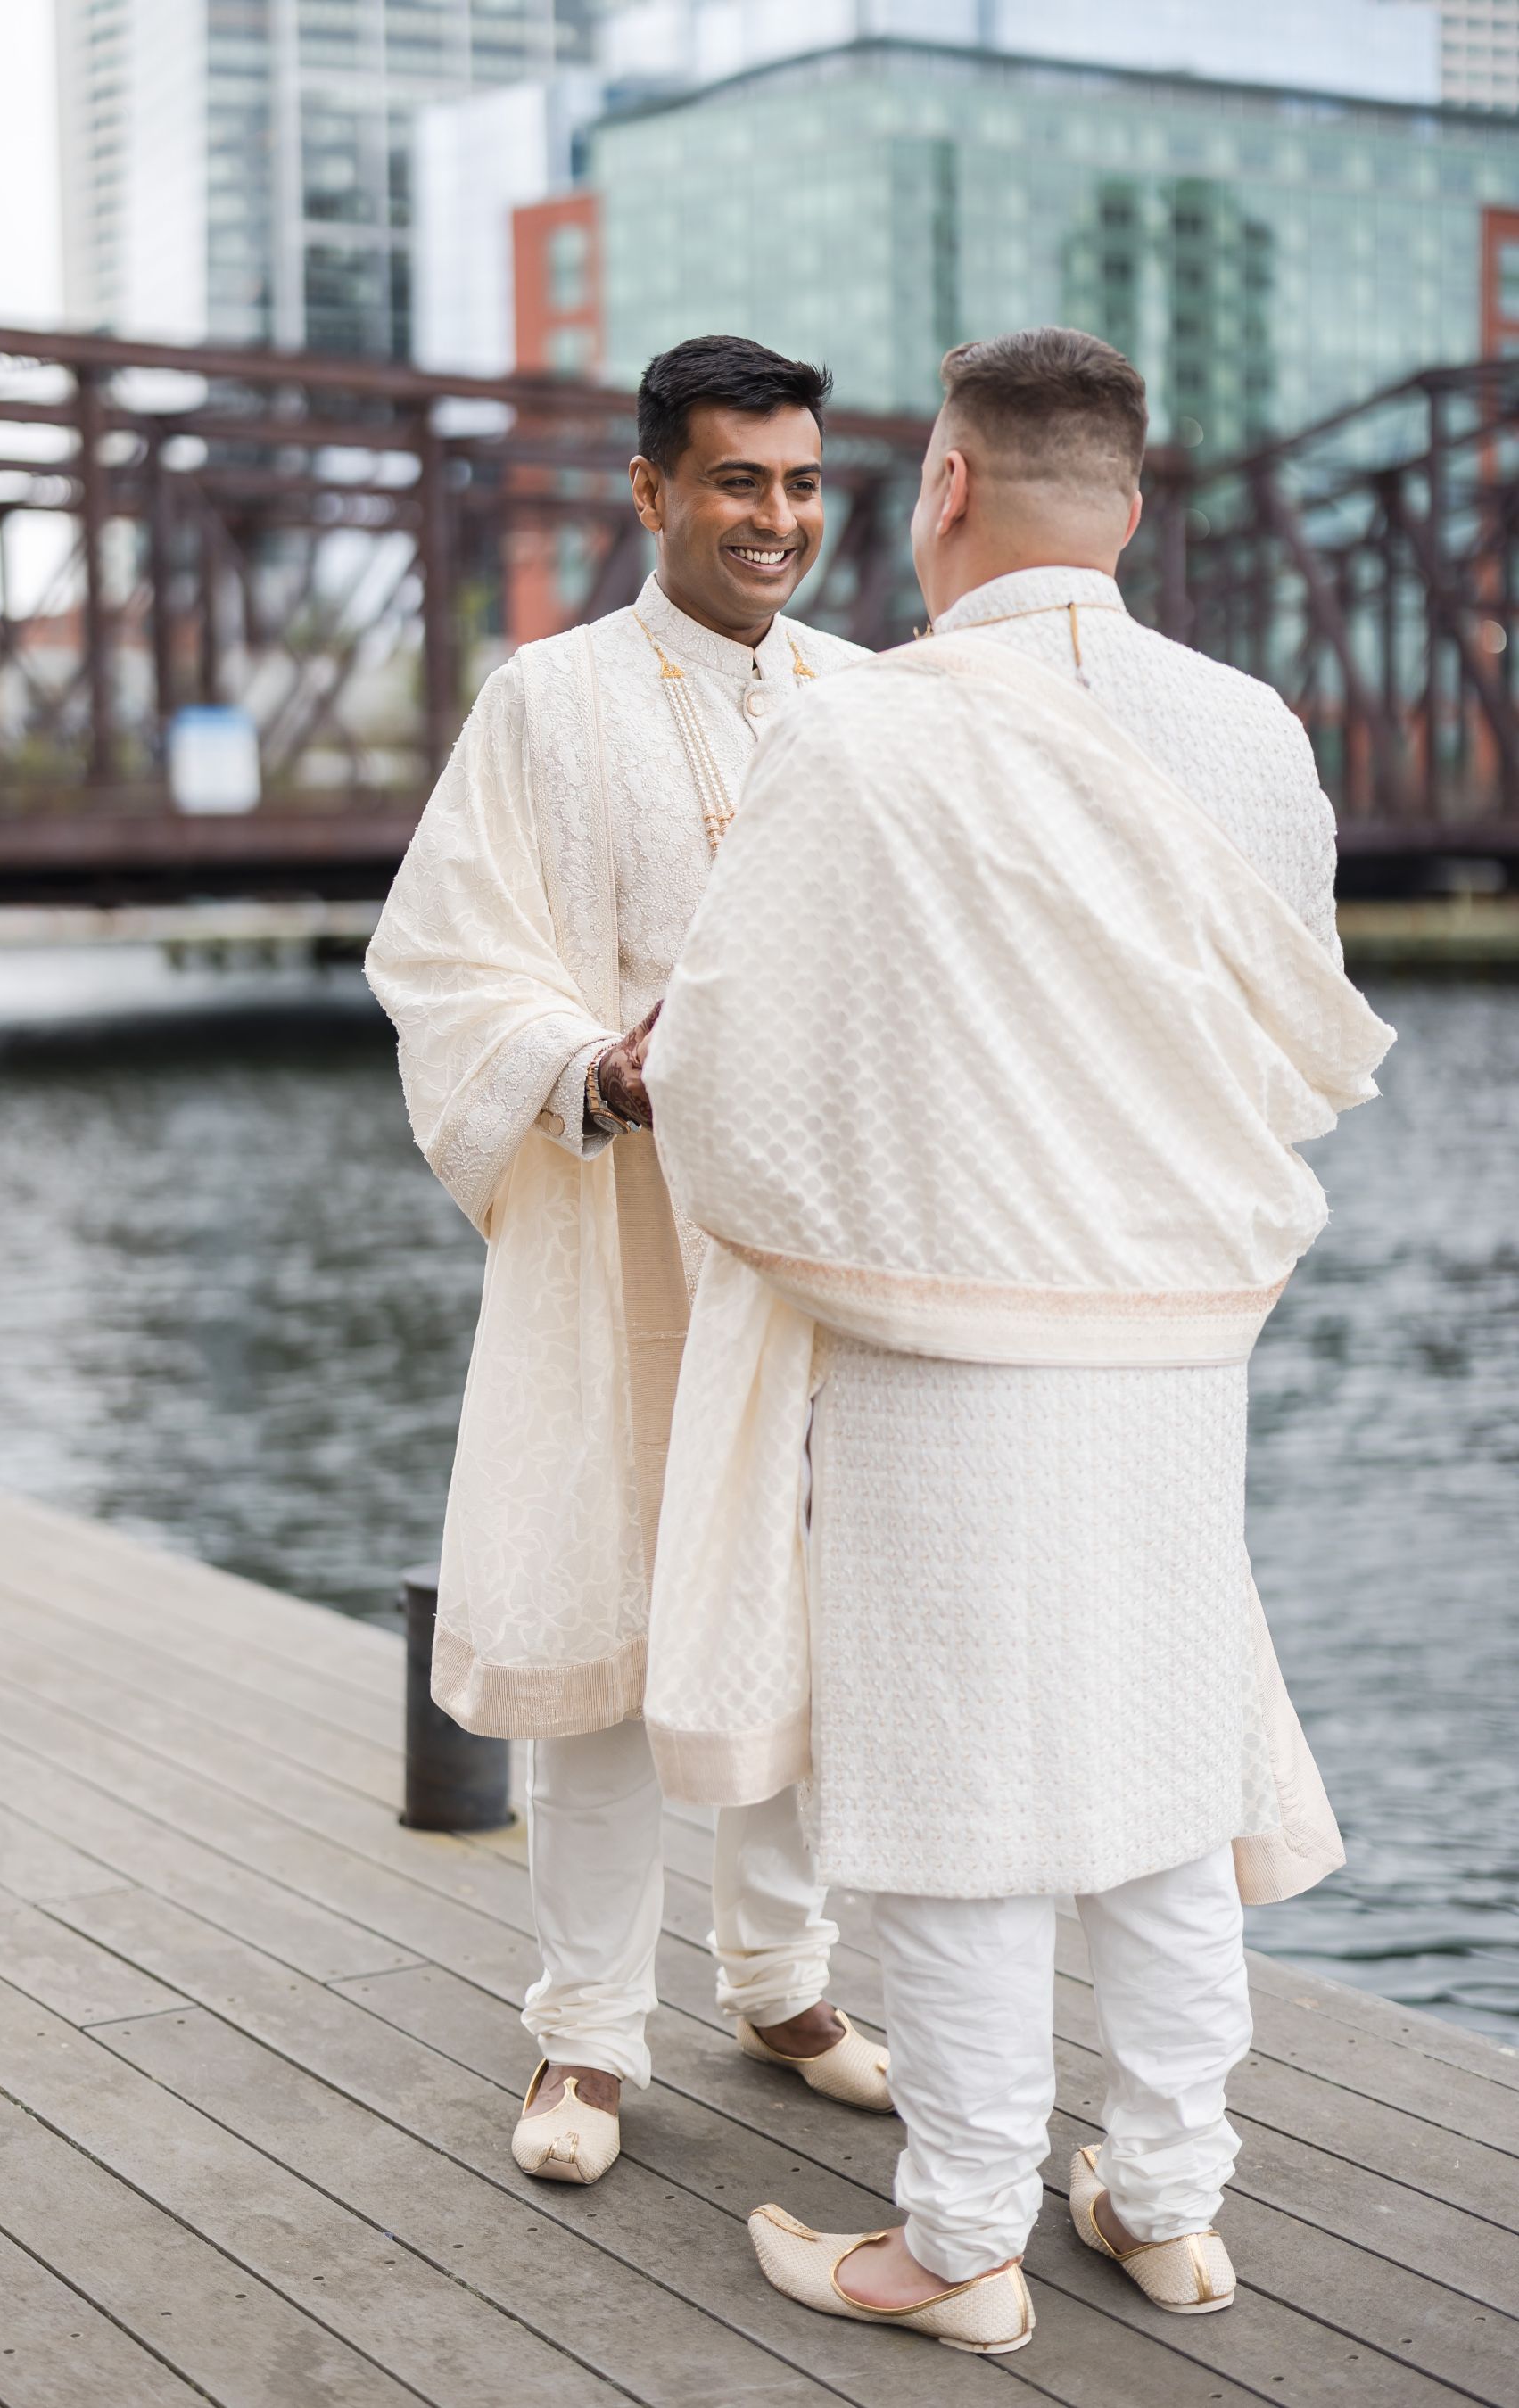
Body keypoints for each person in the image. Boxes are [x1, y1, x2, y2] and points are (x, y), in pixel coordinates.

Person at [641, 327, 1393, 2354]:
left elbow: (725, 1079)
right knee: (1164, 1773)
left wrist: (851, 1232)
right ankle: (1167, 2204)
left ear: (944, 488)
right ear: (1131, 503)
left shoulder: (860, 731)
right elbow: (1293, 1059)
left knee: (958, 1800)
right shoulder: (1256, 732)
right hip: (1176, 1350)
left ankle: (957, 2246)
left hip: (936, 1350)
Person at [366, 335, 886, 2191]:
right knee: (598, 1629)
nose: (780, 520)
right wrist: (588, 1070)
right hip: (613, 1225)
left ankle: (784, 1980)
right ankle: (586, 2040)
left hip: (813, 1253)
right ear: (652, 489)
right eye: (741, 481)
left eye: (806, 483)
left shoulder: (870, 700)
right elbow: (443, 958)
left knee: (804, 1609)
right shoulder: (549, 699)